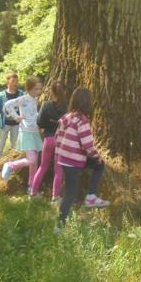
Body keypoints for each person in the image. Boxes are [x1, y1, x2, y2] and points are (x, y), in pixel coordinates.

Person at [56, 88, 109, 230]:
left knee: (97, 166)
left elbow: (58, 138)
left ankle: (91, 196)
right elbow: (88, 145)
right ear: (88, 103)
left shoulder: (67, 117)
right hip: (73, 160)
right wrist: (97, 156)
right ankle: (59, 226)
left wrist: (60, 154)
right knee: (71, 194)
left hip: (64, 158)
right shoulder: (82, 121)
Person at [1, 77, 44, 193]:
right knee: (31, 160)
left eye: (40, 89)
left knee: (34, 163)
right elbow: (8, 105)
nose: (38, 92)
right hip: (26, 133)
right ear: (29, 88)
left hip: (34, 133)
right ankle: (10, 165)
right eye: (36, 89)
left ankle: (31, 186)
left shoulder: (35, 100)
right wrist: (16, 117)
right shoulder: (24, 98)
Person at [30, 82, 67, 202]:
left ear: (52, 92)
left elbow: (39, 123)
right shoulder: (67, 107)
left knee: (43, 166)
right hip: (61, 141)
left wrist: (48, 123)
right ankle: (55, 197)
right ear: (64, 92)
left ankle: (33, 193)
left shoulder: (46, 105)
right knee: (58, 169)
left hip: (48, 139)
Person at [0, 72, 25, 160]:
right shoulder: (2, 95)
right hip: (5, 124)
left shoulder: (21, 94)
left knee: (15, 144)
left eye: (16, 81)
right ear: (7, 82)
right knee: (1, 143)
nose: (15, 83)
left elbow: (25, 106)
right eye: (13, 81)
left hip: (16, 124)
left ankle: (13, 162)